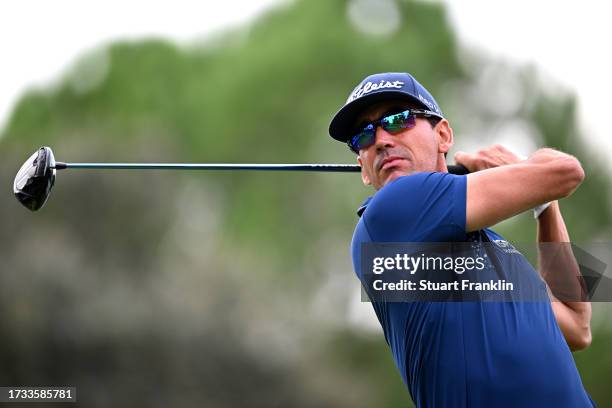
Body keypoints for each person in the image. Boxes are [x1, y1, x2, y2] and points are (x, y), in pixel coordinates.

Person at [328, 72, 595, 407]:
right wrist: (526, 167)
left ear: (443, 135)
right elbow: (567, 171)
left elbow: (577, 325)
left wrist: (545, 206)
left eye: (397, 119)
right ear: (364, 169)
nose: (380, 139)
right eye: (364, 135)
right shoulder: (391, 212)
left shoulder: (495, 246)